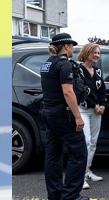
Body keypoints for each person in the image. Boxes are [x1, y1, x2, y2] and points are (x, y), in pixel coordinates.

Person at [37, 32, 85, 200]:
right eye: (72, 46)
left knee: (53, 154)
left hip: (48, 111)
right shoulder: (64, 65)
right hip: (63, 114)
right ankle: (71, 195)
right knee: (78, 153)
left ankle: (55, 194)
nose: (73, 49)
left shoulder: (47, 63)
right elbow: (68, 92)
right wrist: (78, 116)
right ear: (65, 46)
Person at [74, 42, 108, 188]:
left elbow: (102, 90)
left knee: (93, 142)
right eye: (94, 52)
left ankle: (87, 170)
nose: (97, 55)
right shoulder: (78, 70)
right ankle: (79, 176)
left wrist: (103, 105)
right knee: (85, 141)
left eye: (98, 53)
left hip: (97, 111)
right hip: (83, 110)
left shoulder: (97, 71)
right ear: (86, 53)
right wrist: (95, 105)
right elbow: (80, 92)